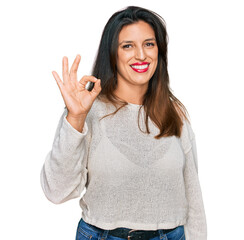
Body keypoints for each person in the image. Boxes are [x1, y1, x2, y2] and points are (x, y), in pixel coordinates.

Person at [40, 6, 207, 240]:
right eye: (127, 46)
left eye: (149, 44)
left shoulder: (174, 112)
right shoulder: (88, 110)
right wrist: (75, 118)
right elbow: (56, 191)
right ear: (112, 54)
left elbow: (193, 198)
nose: (141, 55)